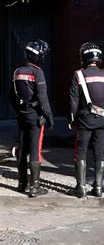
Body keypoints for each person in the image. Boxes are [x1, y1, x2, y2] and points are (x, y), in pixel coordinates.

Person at [68, 42, 104, 198]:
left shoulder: (78, 75)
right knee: (99, 153)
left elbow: (73, 101)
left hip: (84, 120)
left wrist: (71, 119)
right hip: (103, 120)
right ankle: (98, 188)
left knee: (81, 152)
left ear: (84, 58)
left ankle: (81, 188)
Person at [8, 39, 54, 198]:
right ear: (38, 57)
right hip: (36, 117)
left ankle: (22, 184)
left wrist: (19, 111)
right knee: (35, 149)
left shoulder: (16, 72)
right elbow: (43, 98)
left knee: (22, 148)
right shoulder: (37, 72)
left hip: (22, 116)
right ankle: (35, 187)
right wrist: (49, 117)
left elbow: (11, 96)